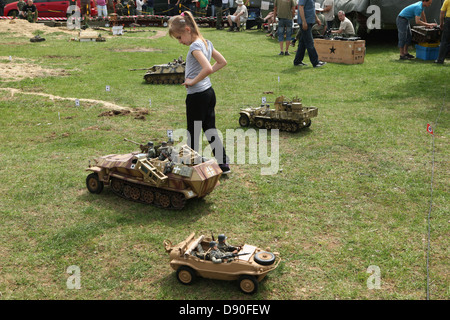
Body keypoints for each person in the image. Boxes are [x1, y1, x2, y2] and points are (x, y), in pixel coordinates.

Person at [168, 11, 231, 174]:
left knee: (193, 132)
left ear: (187, 30)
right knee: (210, 129)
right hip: (209, 93)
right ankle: (223, 164)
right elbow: (222, 62)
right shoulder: (206, 42)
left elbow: (208, 67)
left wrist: (192, 81)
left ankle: (192, 167)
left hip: (197, 97)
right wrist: (202, 79)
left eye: (179, 37)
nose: (180, 42)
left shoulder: (195, 46)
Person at [293, 0, 326, 68]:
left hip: (309, 22)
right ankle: (315, 62)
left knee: (302, 43)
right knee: (309, 42)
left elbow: (312, 9)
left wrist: (316, 19)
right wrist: (304, 22)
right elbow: (301, 8)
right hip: (306, 22)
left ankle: (297, 61)